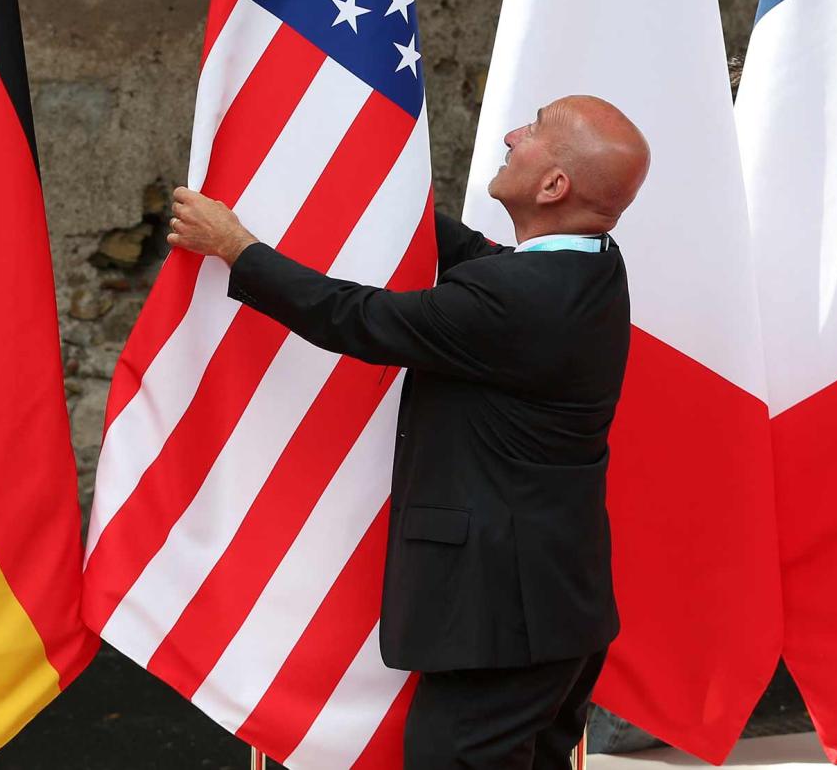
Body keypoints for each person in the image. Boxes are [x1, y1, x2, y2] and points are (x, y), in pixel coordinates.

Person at [167, 94, 652, 770]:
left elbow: (355, 317)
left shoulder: (521, 299)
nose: (512, 135)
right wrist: (369, 169)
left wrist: (235, 247)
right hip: (553, 608)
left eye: (535, 128)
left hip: (503, 622)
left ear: (553, 186)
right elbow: (476, 255)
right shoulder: (591, 262)